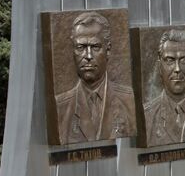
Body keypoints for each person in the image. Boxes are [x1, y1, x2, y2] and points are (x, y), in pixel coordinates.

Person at [56, 11, 136, 144]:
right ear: (73, 50)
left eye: (95, 47)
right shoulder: (61, 107)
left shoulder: (128, 101)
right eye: (81, 47)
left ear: (108, 50)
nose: (88, 56)